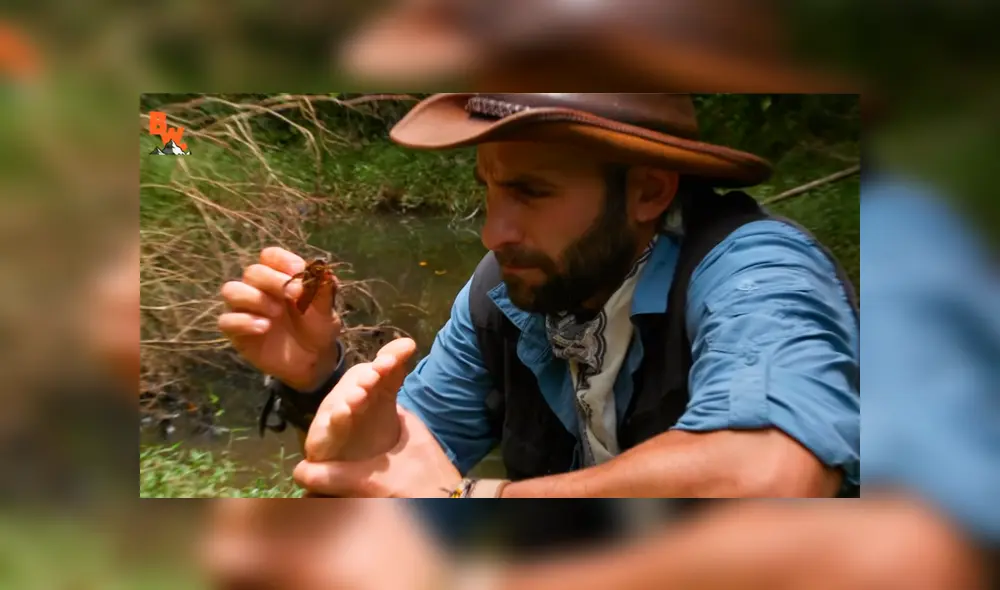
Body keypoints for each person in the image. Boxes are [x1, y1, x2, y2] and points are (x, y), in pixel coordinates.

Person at [219, 93, 860, 498]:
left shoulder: (756, 271)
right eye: (491, 190)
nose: (493, 232)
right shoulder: (505, 291)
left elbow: (772, 474)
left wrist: (478, 500)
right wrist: (317, 379)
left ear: (649, 192)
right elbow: (404, 456)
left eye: (531, 193)